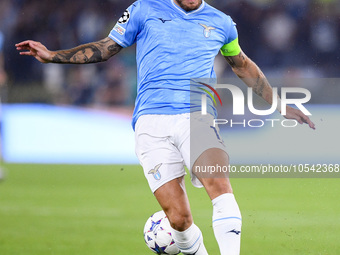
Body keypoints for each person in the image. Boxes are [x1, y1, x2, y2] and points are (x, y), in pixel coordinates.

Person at [16, 0, 315, 254]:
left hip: (197, 115)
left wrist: (277, 103)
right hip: (150, 122)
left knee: (220, 186)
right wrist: (53, 56)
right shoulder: (143, 9)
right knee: (179, 219)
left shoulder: (221, 23)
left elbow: (242, 65)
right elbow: (106, 47)